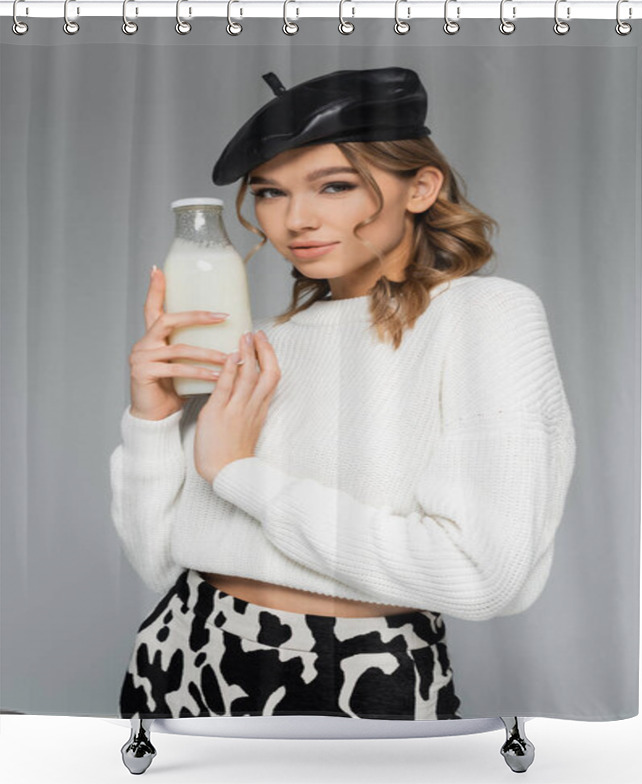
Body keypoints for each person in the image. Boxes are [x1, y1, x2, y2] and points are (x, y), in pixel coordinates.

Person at [111, 67, 576, 721]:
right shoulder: (265, 341)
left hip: (354, 666)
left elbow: (480, 574)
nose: (296, 220)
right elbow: (161, 559)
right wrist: (152, 417)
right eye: (270, 193)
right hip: (182, 646)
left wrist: (238, 474)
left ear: (421, 187)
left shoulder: (484, 316)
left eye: (334, 185)